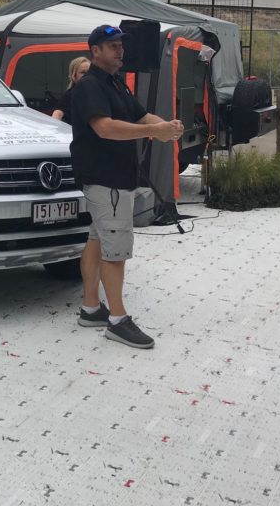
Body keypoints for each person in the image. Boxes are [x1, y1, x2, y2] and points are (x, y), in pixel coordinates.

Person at [70, 24, 183, 349]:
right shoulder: (90, 86)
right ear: (96, 51)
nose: (120, 50)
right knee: (115, 251)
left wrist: (165, 125)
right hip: (107, 180)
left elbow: (140, 115)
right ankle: (117, 320)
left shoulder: (116, 84)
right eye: (112, 46)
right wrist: (153, 132)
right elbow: (104, 128)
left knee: (96, 239)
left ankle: (91, 308)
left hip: (112, 180)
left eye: (121, 45)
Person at [51, 56, 90, 124]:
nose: (87, 75)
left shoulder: (98, 92)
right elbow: (57, 113)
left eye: (89, 72)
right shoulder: (70, 94)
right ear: (74, 75)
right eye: (83, 72)